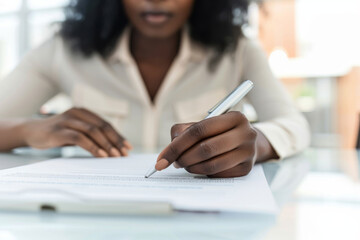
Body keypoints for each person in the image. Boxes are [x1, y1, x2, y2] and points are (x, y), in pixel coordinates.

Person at [0, 0, 310, 178]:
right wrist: (27, 130)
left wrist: (258, 144)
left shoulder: (237, 50)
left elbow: (295, 126)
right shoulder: (63, 50)